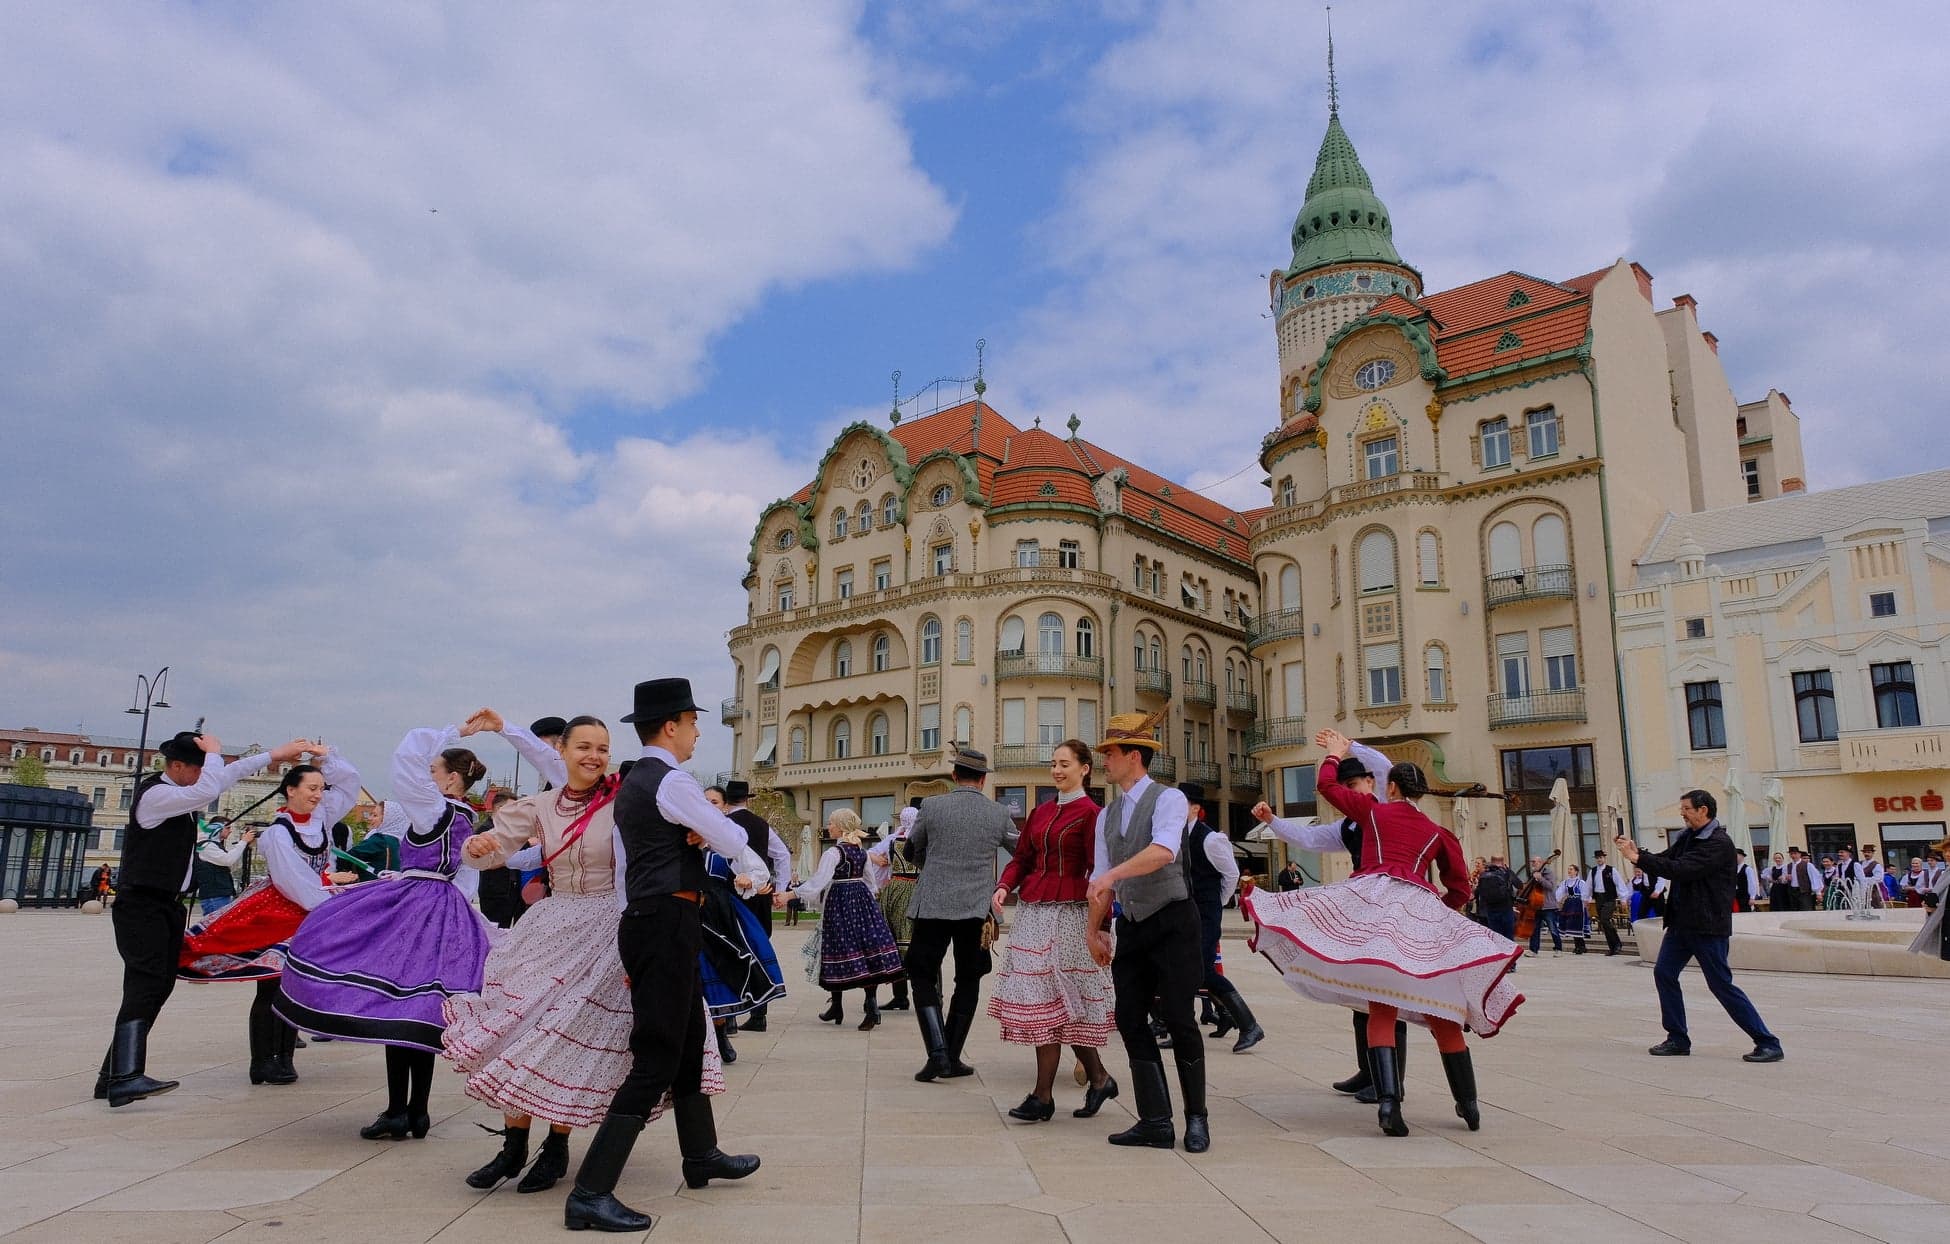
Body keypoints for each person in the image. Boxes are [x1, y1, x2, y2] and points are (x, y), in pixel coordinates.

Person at [448, 711, 725, 1196]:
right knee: (520, 1027)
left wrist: (701, 829)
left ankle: (556, 1146)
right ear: (563, 751)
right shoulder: (540, 806)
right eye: (583, 747)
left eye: (602, 748)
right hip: (551, 925)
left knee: (572, 1034)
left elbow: (679, 823)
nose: (594, 756)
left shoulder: (627, 799)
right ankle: (513, 1145)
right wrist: (481, 845)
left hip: (610, 924)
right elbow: (495, 849)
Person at [1245, 729, 1523, 1138]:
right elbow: (1461, 887)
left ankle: (1389, 1103)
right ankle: (1469, 1105)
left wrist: (1336, 754)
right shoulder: (1437, 832)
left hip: (1374, 907)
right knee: (1443, 1011)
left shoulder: (1374, 813)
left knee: (1381, 1007)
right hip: (1421, 910)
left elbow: (1324, 786)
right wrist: (1436, 914)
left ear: (1389, 787)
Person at [561, 678, 761, 1234]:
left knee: (688, 1041)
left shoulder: (633, 783)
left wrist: (693, 834)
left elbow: (631, 868)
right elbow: (730, 839)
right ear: (671, 725)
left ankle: (702, 1155)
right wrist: (703, 832)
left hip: (654, 919)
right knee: (657, 1054)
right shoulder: (671, 780)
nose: (699, 731)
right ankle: (591, 1191)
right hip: (665, 920)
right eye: (693, 722)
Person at [277, 722, 494, 1139]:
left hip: (415, 908)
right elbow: (468, 878)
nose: (428, 777)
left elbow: (403, 762)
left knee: (395, 1003)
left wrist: (447, 730)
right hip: (446, 906)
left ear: (451, 777)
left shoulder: (435, 809)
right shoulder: (468, 817)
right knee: (423, 1009)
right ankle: (418, 1111)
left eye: (435, 771)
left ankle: (398, 1110)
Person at [95, 730, 312, 1109]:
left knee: (157, 984)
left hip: (165, 905)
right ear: (177, 767)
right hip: (142, 905)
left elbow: (222, 777)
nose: (202, 776)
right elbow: (208, 789)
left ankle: (113, 1073)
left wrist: (276, 754)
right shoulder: (157, 796)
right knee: (146, 984)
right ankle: (124, 1077)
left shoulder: (177, 793)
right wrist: (214, 753)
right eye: (197, 769)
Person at [179, 752, 362, 1086]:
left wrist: (328, 756)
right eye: (311, 787)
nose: (318, 794)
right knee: (271, 987)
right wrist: (328, 896)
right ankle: (262, 1060)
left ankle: (285, 1057)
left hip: (311, 910)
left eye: (321, 788)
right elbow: (295, 883)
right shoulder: (278, 834)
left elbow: (350, 784)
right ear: (290, 790)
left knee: (294, 986)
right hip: (283, 910)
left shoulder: (320, 817)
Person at [1082, 710, 1208, 1152]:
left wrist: (1113, 877)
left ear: (1134, 756)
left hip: (1173, 920)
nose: (1105, 761)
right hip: (1132, 924)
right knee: (1128, 1017)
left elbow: (1163, 851)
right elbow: (1097, 876)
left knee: (1178, 1016)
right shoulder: (1106, 814)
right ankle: (1155, 1120)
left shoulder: (1169, 799)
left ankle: (1196, 1119)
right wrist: (1093, 930)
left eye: (1110, 753)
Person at [986, 740, 1117, 1122]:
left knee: (1060, 1003)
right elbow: (1023, 858)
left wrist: (1102, 927)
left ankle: (1045, 1096)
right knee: (1047, 1002)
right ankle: (1097, 1078)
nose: (1057, 770)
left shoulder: (1094, 814)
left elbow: (1100, 872)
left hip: (1074, 917)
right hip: (1034, 914)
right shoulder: (1040, 812)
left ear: (1085, 768)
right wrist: (1003, 886)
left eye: (1065, 764)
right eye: (1054, 764)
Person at [1614, 790, 1782, 1063]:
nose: (1682, 813)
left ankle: (1767, 1041)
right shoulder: (1687, 837)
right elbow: (1665, 860)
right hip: (1681, 923)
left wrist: (1636, 858)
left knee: (1720, 984)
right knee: (1665, 974)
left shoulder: (1718, 844)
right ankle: (1677, 1038)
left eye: (1686, 808)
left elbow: (1681, 869)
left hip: (1707, 925)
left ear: (1703, 810)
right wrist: (1637, 852)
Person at [903, 744, 1019, 1083]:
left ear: (954, 776)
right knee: (969, 977)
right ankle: (952, 1056)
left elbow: (912, 849)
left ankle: (937, 1052)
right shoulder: (999, 814)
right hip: (976, 907)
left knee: (922, 972)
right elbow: (1021, 852)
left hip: (933, 904)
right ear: (983, 780)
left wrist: (934, 867)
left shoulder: (932, 806)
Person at [791, 808, 906, 1030]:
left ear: (842, 827)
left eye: (832, 823)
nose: (829, 827)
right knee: (866, 950)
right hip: (862, 902)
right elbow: (870, 883)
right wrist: (867, 902)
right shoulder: (861, 852)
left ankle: (851, 1006)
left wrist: (791, 893)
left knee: (838, 948)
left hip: (840, 903)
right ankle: (860, 1006)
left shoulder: (834, 853)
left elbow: (818, 881)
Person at [1179, 782, 1264, 1055]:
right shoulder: (1175, 836)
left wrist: (1216, 902)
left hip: (1205, 912)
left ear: (1195, 808)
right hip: (1184, 912)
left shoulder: (1211, 839)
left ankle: (1249, 1024)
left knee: (1203, 969)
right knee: (1186, 970)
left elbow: (1231, 875)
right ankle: (1199, 1022)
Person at [717, 779, 794, 1031]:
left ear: (726, 801)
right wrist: (780, 889)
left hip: (729, 893)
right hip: (759, 896)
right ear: (748, 799)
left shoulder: (723, 825)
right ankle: (760, 1014)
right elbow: (782, 855)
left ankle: (728, 1017)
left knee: (729, 949)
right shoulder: (762, 825)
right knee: (758, 949)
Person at [865, 800, 923, 1013]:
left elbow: (871, 856)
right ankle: (932, 994)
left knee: (894, 942)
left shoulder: (893, 839)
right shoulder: (924, 839)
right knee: (923, 942)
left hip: (895, 890)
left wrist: (883, 863)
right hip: (919, 890)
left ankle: (900, 996)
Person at [192, 820, 250, 917]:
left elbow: (232, 864)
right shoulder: (206, 846)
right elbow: (228, 860)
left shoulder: (213, 845)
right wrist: (243, 842)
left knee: (220, 929)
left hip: (219, 894)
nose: (230, 831)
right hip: (215, 896)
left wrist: (243, 844)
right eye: (227, 828)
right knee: (216, 930)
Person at [1524, 855, 1563, 956]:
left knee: (1553, 928)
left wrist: (1540, 878)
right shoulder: (1533, 874)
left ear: (1541, 863)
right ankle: (1533, 950)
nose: (1533, 864)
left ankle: (1558, 949)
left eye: (1535, 862)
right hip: (1536, 906)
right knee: (1534, 929)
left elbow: (1550, 886)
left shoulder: (1548, 873)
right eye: (1532, 862)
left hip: (1548, 906)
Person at [1589, 851, 1627, 956]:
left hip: (1609, 898)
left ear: (1604, 858)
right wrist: (1586, 899)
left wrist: (1623, 898)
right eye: (1597, 858)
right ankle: (1612, 947)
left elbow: (1620, 884)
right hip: (1598, 898)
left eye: (1600, 857)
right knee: (1603, 922)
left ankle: (1617, 943)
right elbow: (1589, 886)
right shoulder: (1593, 871)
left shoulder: (1611, 870)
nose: (1599, 859)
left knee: (1605, 919)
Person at [1476, 854, 1519, 942]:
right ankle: (1510, 954)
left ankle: (1501, 954)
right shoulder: (1506, 872)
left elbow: (1477, 892)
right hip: (1506, 908)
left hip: (1490, 910)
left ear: (1491, 862)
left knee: (1496, 938)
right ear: (1503, 862)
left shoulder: (1484, 874)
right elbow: (1519, 885)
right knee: (1509, 937)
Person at [1556, 864, 1591, 955]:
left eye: (1571, 869)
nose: (1569, 871)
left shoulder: (1580, 882)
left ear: (1576, 871)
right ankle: (1579, 946)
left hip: (1578, 905)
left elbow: (1586, 893)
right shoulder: (1565, 882)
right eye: (1568, 869)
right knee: (1571, 925)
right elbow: (1560, 892)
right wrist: (1558, 900)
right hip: (1569, 905)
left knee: (1577, 925)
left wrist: (1586, 902)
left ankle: (1581, 946)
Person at [1783, 846, 1822, 912]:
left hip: (1804, 892)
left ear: (1799, 854)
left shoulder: (1808, 865)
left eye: (1795, 853)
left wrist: (1818, 892)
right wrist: (1786, 878)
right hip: (1792, 891)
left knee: (1805, 910)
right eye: (1791, 854)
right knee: (1795, 910)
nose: (1793, 855)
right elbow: (1784, 879)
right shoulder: (1788, 866)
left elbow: (1815, 878)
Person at [1733, 850, 1762, 914]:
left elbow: (1752, 884)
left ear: (1742, 857)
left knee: (1745, 914)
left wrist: (1752, 897)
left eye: (1736, 855)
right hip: (1736, 896)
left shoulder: (1747, 869)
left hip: (1745, 896)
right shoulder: (1734, 868)